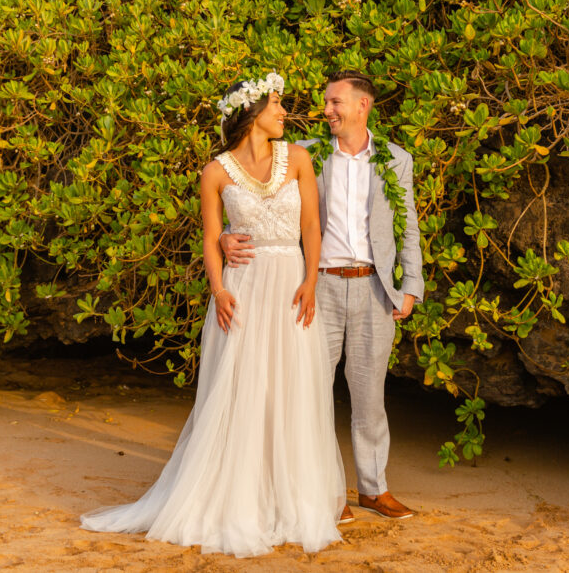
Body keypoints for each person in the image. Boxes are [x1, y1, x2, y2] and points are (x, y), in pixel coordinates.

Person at [81, 73, 346, 557]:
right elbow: (210, 237)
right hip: (242, 291)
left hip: (291, 286)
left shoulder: (299, 159)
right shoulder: (215, 172)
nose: (284, 111)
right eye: (276, 104)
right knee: (243, 387)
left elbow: (311, 224)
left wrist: (311, 280)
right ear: (252, 113)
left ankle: (288, 498)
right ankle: (238, 498)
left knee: (290, 387)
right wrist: (219, 289)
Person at [222, 70, 424, 523]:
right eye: (327, 102)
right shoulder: (304, 154)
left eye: (335, 102)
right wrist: (223, 237)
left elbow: (408, 226)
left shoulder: (396, 160)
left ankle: (374, 489)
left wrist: (411, 286)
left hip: (374, 288)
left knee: (370, 398)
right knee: (310, 393)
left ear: (362, 106)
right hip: (316, 286)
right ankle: (327, 493)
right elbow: (254, 197)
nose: (326, 110)